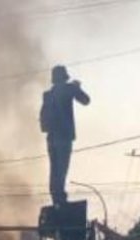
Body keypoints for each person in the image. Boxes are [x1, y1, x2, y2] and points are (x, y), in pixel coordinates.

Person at [40, 65, 91, 206]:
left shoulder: (47, 95)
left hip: (51, 138)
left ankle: (56, 198)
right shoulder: (69, 89)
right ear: (64, 77)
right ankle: (60, 198)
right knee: (62, 168)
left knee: (54, 169)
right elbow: (86, 100)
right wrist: (77, 87)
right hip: (64, 136)